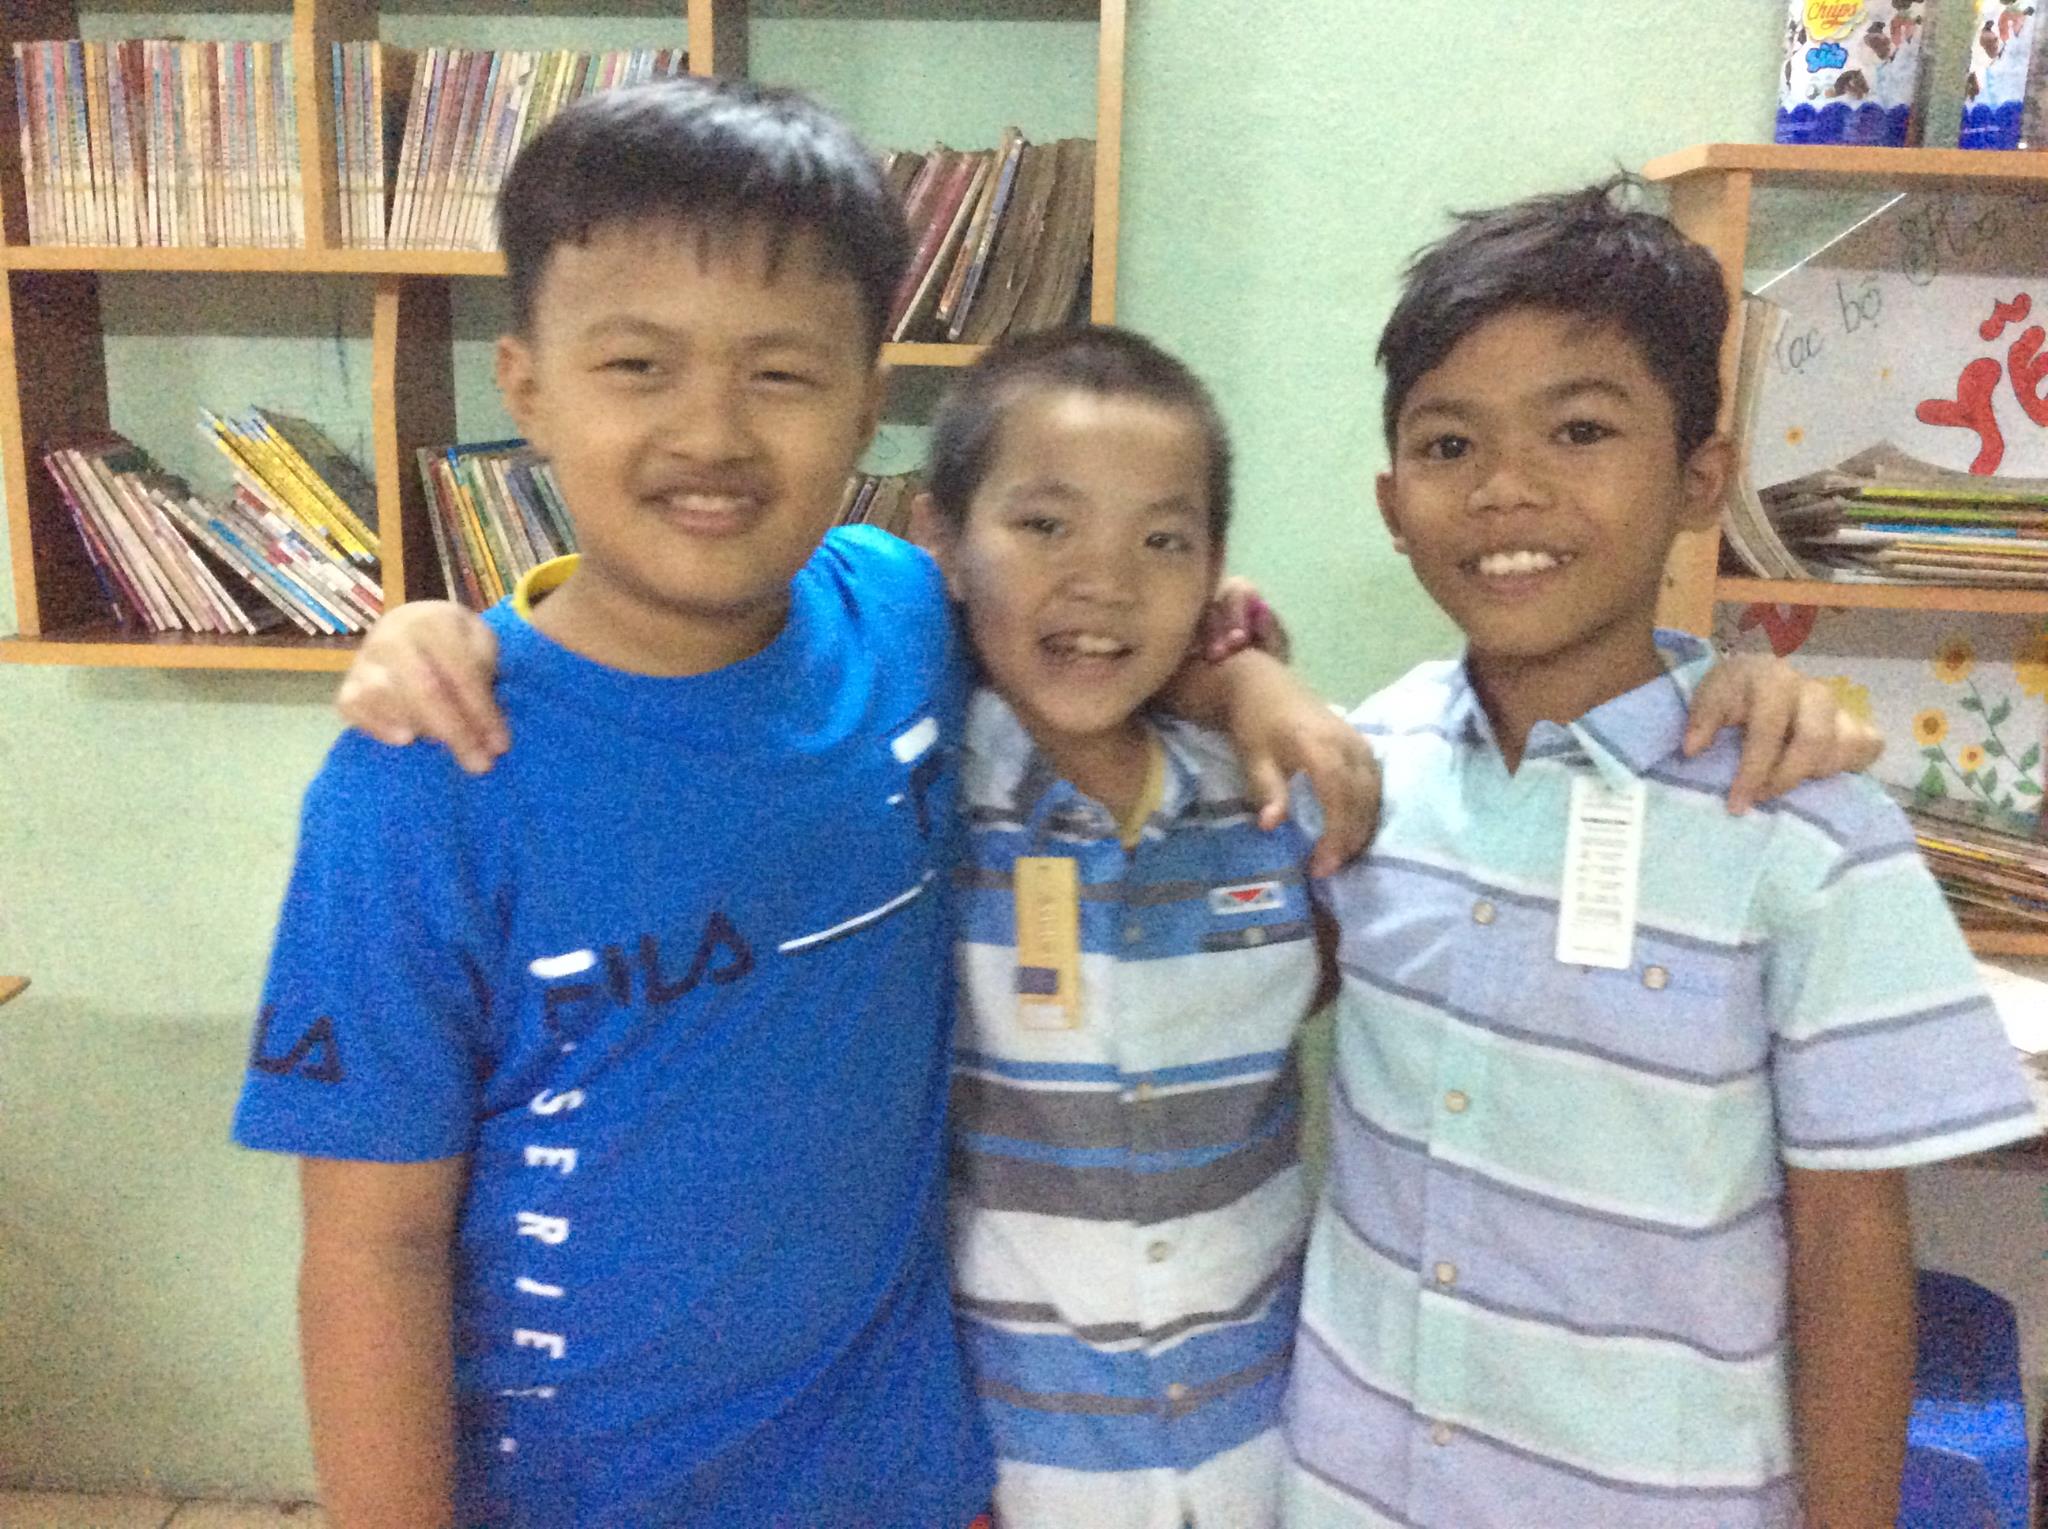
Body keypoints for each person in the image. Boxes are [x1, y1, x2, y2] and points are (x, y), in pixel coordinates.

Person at [337, 313, 1882, 1526]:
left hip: (1277, 1456)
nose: (1102, 583)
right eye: (1044, 525)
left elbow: (1433, 887)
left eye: (1162, 540)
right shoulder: (914, 784)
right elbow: (715, 661)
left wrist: (1724, 683)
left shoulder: (1283, 799)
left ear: (1213, 574)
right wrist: (449, 634)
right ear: (945, 543)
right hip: (1008, 1467)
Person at [235, 77, 1378, 1529]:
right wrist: (418, 627)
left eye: (780, 373)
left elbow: (1108, 629)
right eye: (637, 364)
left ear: (868, 399)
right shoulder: (425, 775)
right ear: (526, 386)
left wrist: (1255, 682)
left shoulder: (900, 610)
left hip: (912, 1474)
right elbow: (370, 1251)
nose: (711, 431)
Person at [1284, 179, 2042, 1529]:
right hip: (1346, 1489)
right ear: (1393, 500)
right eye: (1450, 443)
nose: (1508, 487)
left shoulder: (1804, 823)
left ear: (1701, 477)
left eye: (1581, 429)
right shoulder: (1364, 773)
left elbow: (1852, 1243)